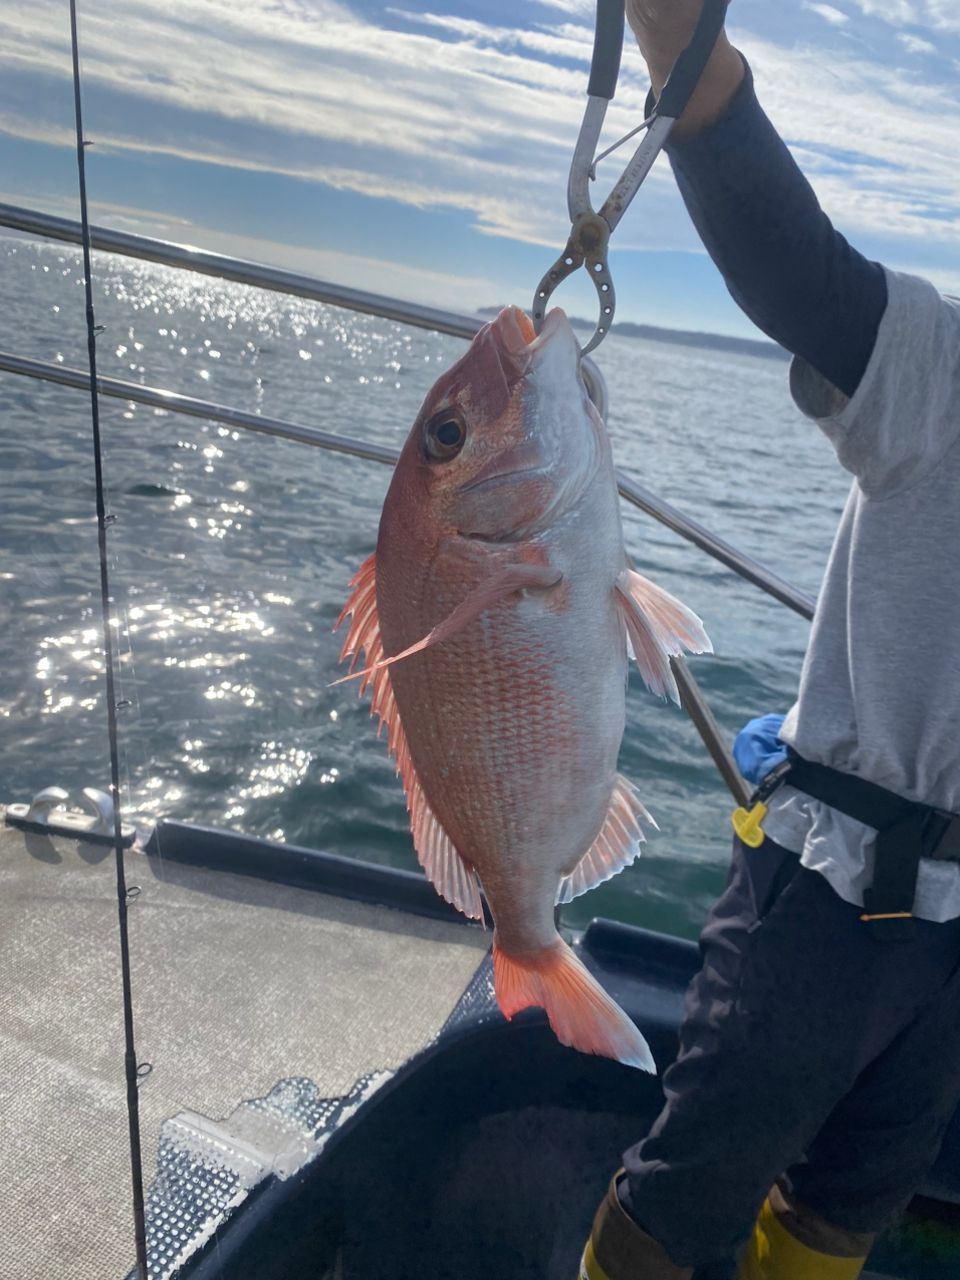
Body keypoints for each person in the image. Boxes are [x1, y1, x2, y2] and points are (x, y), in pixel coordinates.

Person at [579, 3, 960, 1278]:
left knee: (846, 1213)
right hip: (830, 902)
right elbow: (792, 263)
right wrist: (683, 41)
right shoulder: (944, 365)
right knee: (674, 1215)